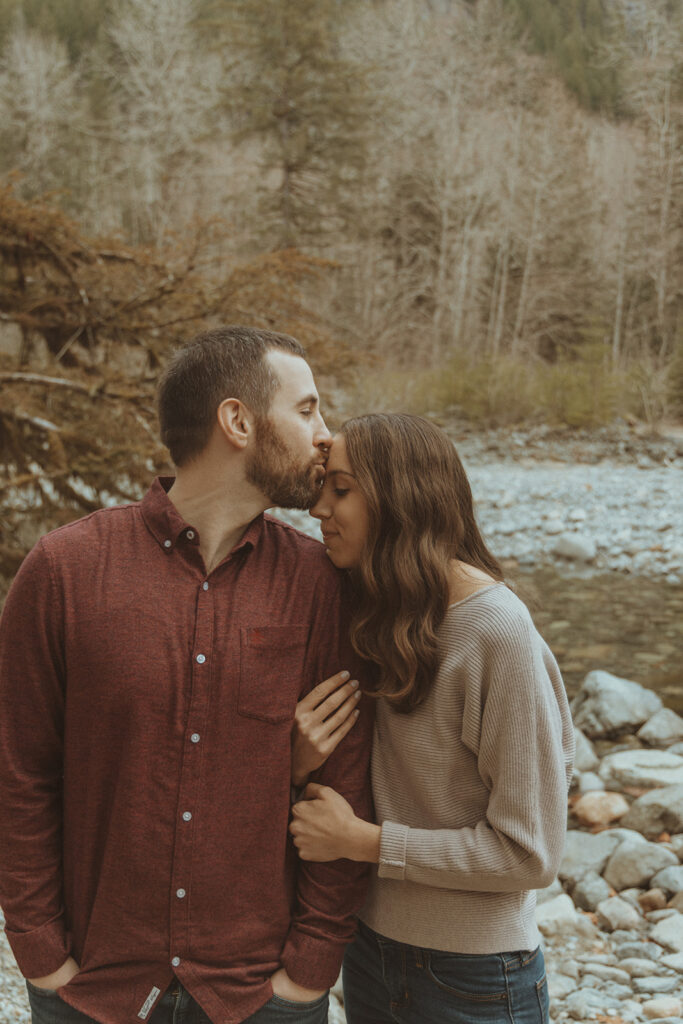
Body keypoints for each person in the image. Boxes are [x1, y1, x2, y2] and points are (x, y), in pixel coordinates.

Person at [0, 326, 373, 1024]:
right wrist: (42, 953)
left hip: (260, 993)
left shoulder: (320, 585)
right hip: (92, 989)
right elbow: (19, 773)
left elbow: (344, 784)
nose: (324, 436)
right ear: (237, 421)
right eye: (306, 409)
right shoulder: (63, 571)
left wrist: (307, 970)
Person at [289, 413, 575, 1024]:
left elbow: (531, 854)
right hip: (369, 953)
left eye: (340, 490)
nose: (318, 510)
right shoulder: (378, 609)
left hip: (474, 977)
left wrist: (365, 842)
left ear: (400, 497)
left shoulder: (498, 634)